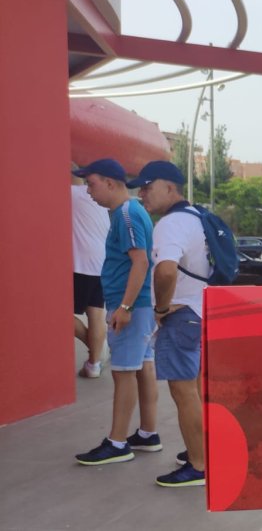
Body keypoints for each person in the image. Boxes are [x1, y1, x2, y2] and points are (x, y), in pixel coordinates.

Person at [71, 158, 162, 466]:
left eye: (91, 184)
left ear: (110, 183)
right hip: (141, 305)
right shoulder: (130, 212)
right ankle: (148, 434)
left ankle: (117, 442)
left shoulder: (125, 214)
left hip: (133, 306)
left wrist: (124, 307)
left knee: (123, 373)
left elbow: (140, 262)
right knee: (142, 367)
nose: (88, 192)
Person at [128, 160, 208, 487]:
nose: (142, 193)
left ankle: (199, 466)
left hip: (183, 315)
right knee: (198, 389)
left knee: (184, 390)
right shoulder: (199, 217)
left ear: (170, 187)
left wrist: (161, 307)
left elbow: (165, 270)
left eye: (148, 187)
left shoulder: (171, 223)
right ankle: (204, 453)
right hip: (204, 311)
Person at [71, 177, 110, 378]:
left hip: (81, 264)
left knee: (59, 315)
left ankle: (98, 350)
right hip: (101, 262)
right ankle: (94, 364)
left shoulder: (71, 194)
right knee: (96, 314)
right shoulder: (97, 198)